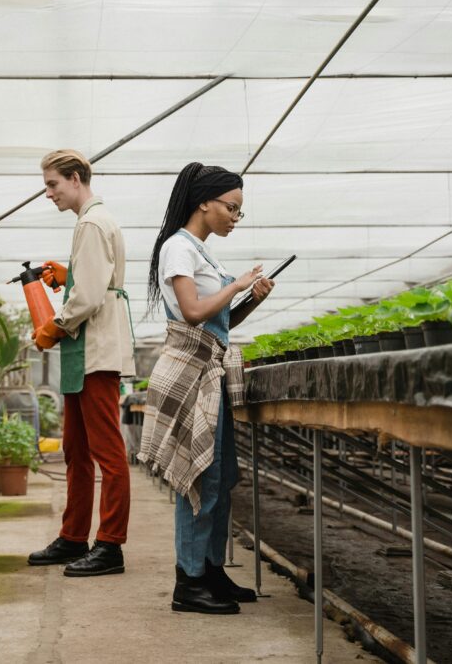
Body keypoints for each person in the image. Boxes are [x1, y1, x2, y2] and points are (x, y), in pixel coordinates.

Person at [138, 162, 274, 614]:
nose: (235, 217)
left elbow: (220, 322)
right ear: (204, 203)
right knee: (197, 477)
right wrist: (235, 284)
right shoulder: (179, 247)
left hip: (210, 368)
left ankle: (211, 570)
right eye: (232, 208)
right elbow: (193, 312)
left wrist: (248, 300)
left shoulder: (201, 250)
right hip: (193, 373)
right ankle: (189, 581)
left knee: (221, 475)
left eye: (240, 211)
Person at [27, 149, 136, 577]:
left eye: (53, 184)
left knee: (108, 454)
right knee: (75, 449)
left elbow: (89, 297)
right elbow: (93, 279)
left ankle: (110, 545)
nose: (48, 193)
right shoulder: (91, 222)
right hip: (85, 353)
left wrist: (53, 327)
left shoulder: (91, 223)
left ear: (75, 178)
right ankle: (73, 537)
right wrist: (67, 271)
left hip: (95, 352)